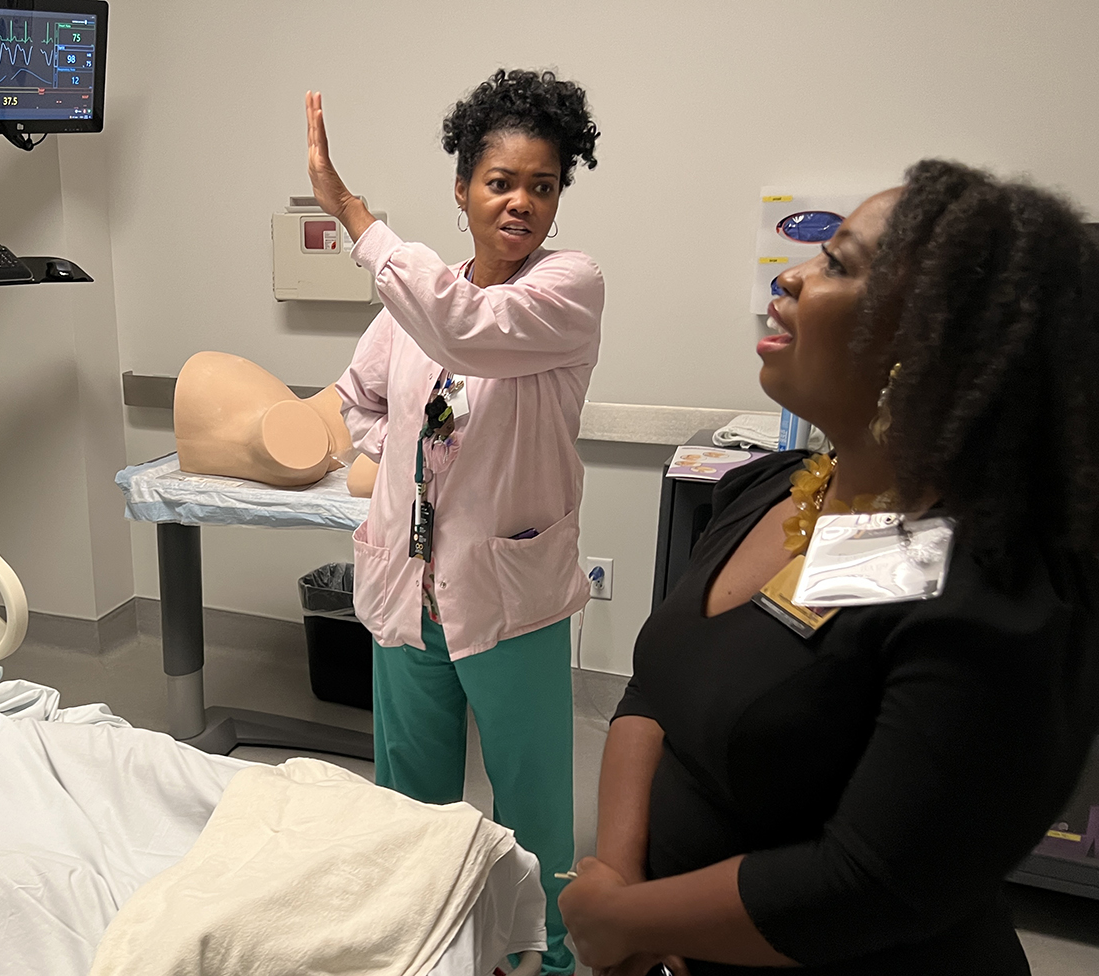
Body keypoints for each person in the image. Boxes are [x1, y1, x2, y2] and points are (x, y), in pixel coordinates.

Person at [559, 161, 1099, 975]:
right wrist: (617, 874)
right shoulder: (766, 490)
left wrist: (630, 918)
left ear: (923, 351)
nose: (792, 272)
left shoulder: (991, 598)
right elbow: (653, 689)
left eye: (838, 263)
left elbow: (870, 881)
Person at [313, 68, 604, 974]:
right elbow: (360, 396)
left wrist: (357, 218)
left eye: (543, 185)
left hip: (508, 596)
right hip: (410, 592)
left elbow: (465, 328)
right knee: (409, 802)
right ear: (462, 188)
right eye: (501, 181)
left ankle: (552, 961)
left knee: (534, 810)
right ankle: (420, 947)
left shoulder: (567, 288)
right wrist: (401, 446)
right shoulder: (416, 301)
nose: (522, 203)